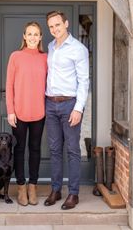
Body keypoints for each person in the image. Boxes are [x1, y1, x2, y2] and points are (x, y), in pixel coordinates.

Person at [44, 11, 89, 210]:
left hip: (70, 104)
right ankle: (55, 189)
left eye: (58, 25)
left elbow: (84, 81)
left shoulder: (78, 49)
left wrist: (78, 109)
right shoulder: (50, 46)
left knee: (72, 150)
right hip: (50, 104)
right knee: (54, 150)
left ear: (66, 24)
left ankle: (73, 193)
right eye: (51, 26)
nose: (55, 29)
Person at [6, 21, 47, 206]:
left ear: (40, 37)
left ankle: (33, 187)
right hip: (19, 113)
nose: (32, 37)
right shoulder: (15, 56)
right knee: (20, 150)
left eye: (35, 34)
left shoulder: (46, 58)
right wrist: (10, 111)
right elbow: (9, 86)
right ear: (24, 36)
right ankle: (21, 187)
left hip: (39, 112)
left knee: (35, 150)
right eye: (29, 34)